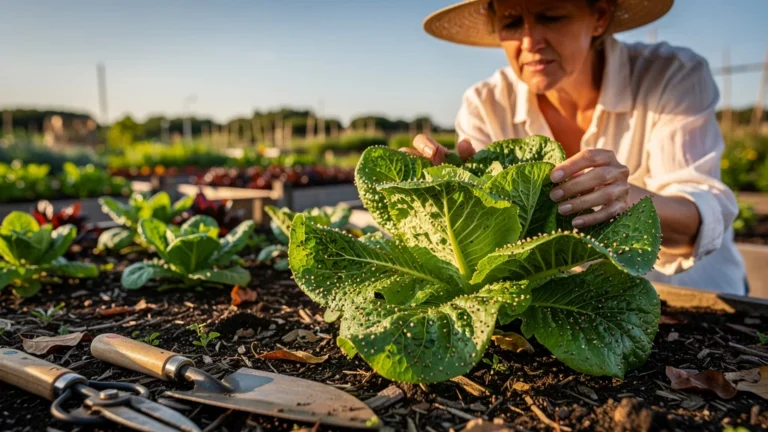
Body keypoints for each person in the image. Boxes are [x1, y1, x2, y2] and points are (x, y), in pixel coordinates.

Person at [404, 0, 746, 294]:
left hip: (700, 298)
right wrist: (439, 194)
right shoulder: (486, 104)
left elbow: (702, 210)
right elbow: (491, 240)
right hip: (579, 305)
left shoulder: (671, 76)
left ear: (599, 16)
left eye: (550, 16)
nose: (530, 40)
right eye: (511, 22)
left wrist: (626, 198)